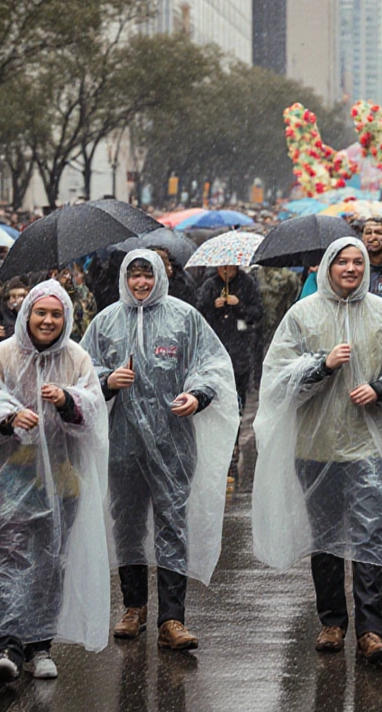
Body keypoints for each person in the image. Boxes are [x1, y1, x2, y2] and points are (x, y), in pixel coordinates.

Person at [250, 236, 382, 665]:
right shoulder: (302, 315)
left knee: (370, 535)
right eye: (342, 262)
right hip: (317, 447)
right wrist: (322, 365)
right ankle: (332, 622)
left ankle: (371, 631)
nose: (350, 269)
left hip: (373, 446)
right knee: (327, 538)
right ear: (328, 267)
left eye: (358, 262)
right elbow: (277, 377)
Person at [0, 281, 110, 687]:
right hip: (9, 478)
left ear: (66, 319)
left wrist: (68, 401)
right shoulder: (1, 356)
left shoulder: (77, 357)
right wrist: (9, 417)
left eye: (55, 314)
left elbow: (94, 411)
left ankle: (41, 646)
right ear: (26, 315)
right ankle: (8, 646)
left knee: (51, 563)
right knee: (7, 562)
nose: (48, 321)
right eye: (41, 313)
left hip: (63, 484)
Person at [80, 249, 238, 652]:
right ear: (123, 278)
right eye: (133, 276)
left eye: (147, 275)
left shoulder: (185, 319)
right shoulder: (105, 322)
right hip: (122, 445)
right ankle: (134, 608)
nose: (141, 283)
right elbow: (80, 373)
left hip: (172, 442)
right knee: (128, 525)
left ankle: (172, 618)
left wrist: (197, 395)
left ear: (161, 277)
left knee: (172, 525)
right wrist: (107, 380)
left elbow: (211, 365)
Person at [196, 264, 263, 411]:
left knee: (238, 389)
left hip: (240, 346)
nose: (225, 271)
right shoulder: (210, 284)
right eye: (222, 267)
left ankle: (237, 417)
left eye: (229, 267)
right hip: (216, 343)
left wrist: (239, 305)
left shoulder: (247, 283)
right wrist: (213, 305)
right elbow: (199, 312)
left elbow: (257, 313)